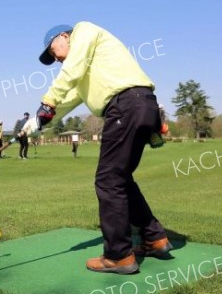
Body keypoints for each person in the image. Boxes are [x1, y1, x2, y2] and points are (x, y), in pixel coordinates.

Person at [35, 22, 172, 274]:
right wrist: (38, 121)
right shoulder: (85, 69)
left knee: (108, 181)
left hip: (125, 106)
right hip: (142, 106)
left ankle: (119, 256)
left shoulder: (84, 30)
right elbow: (66, 101)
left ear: (64, 36)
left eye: (53, 51)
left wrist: (48, 100)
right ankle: (155, 238)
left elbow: (66, 80)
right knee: (120, 179)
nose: (56, 59)